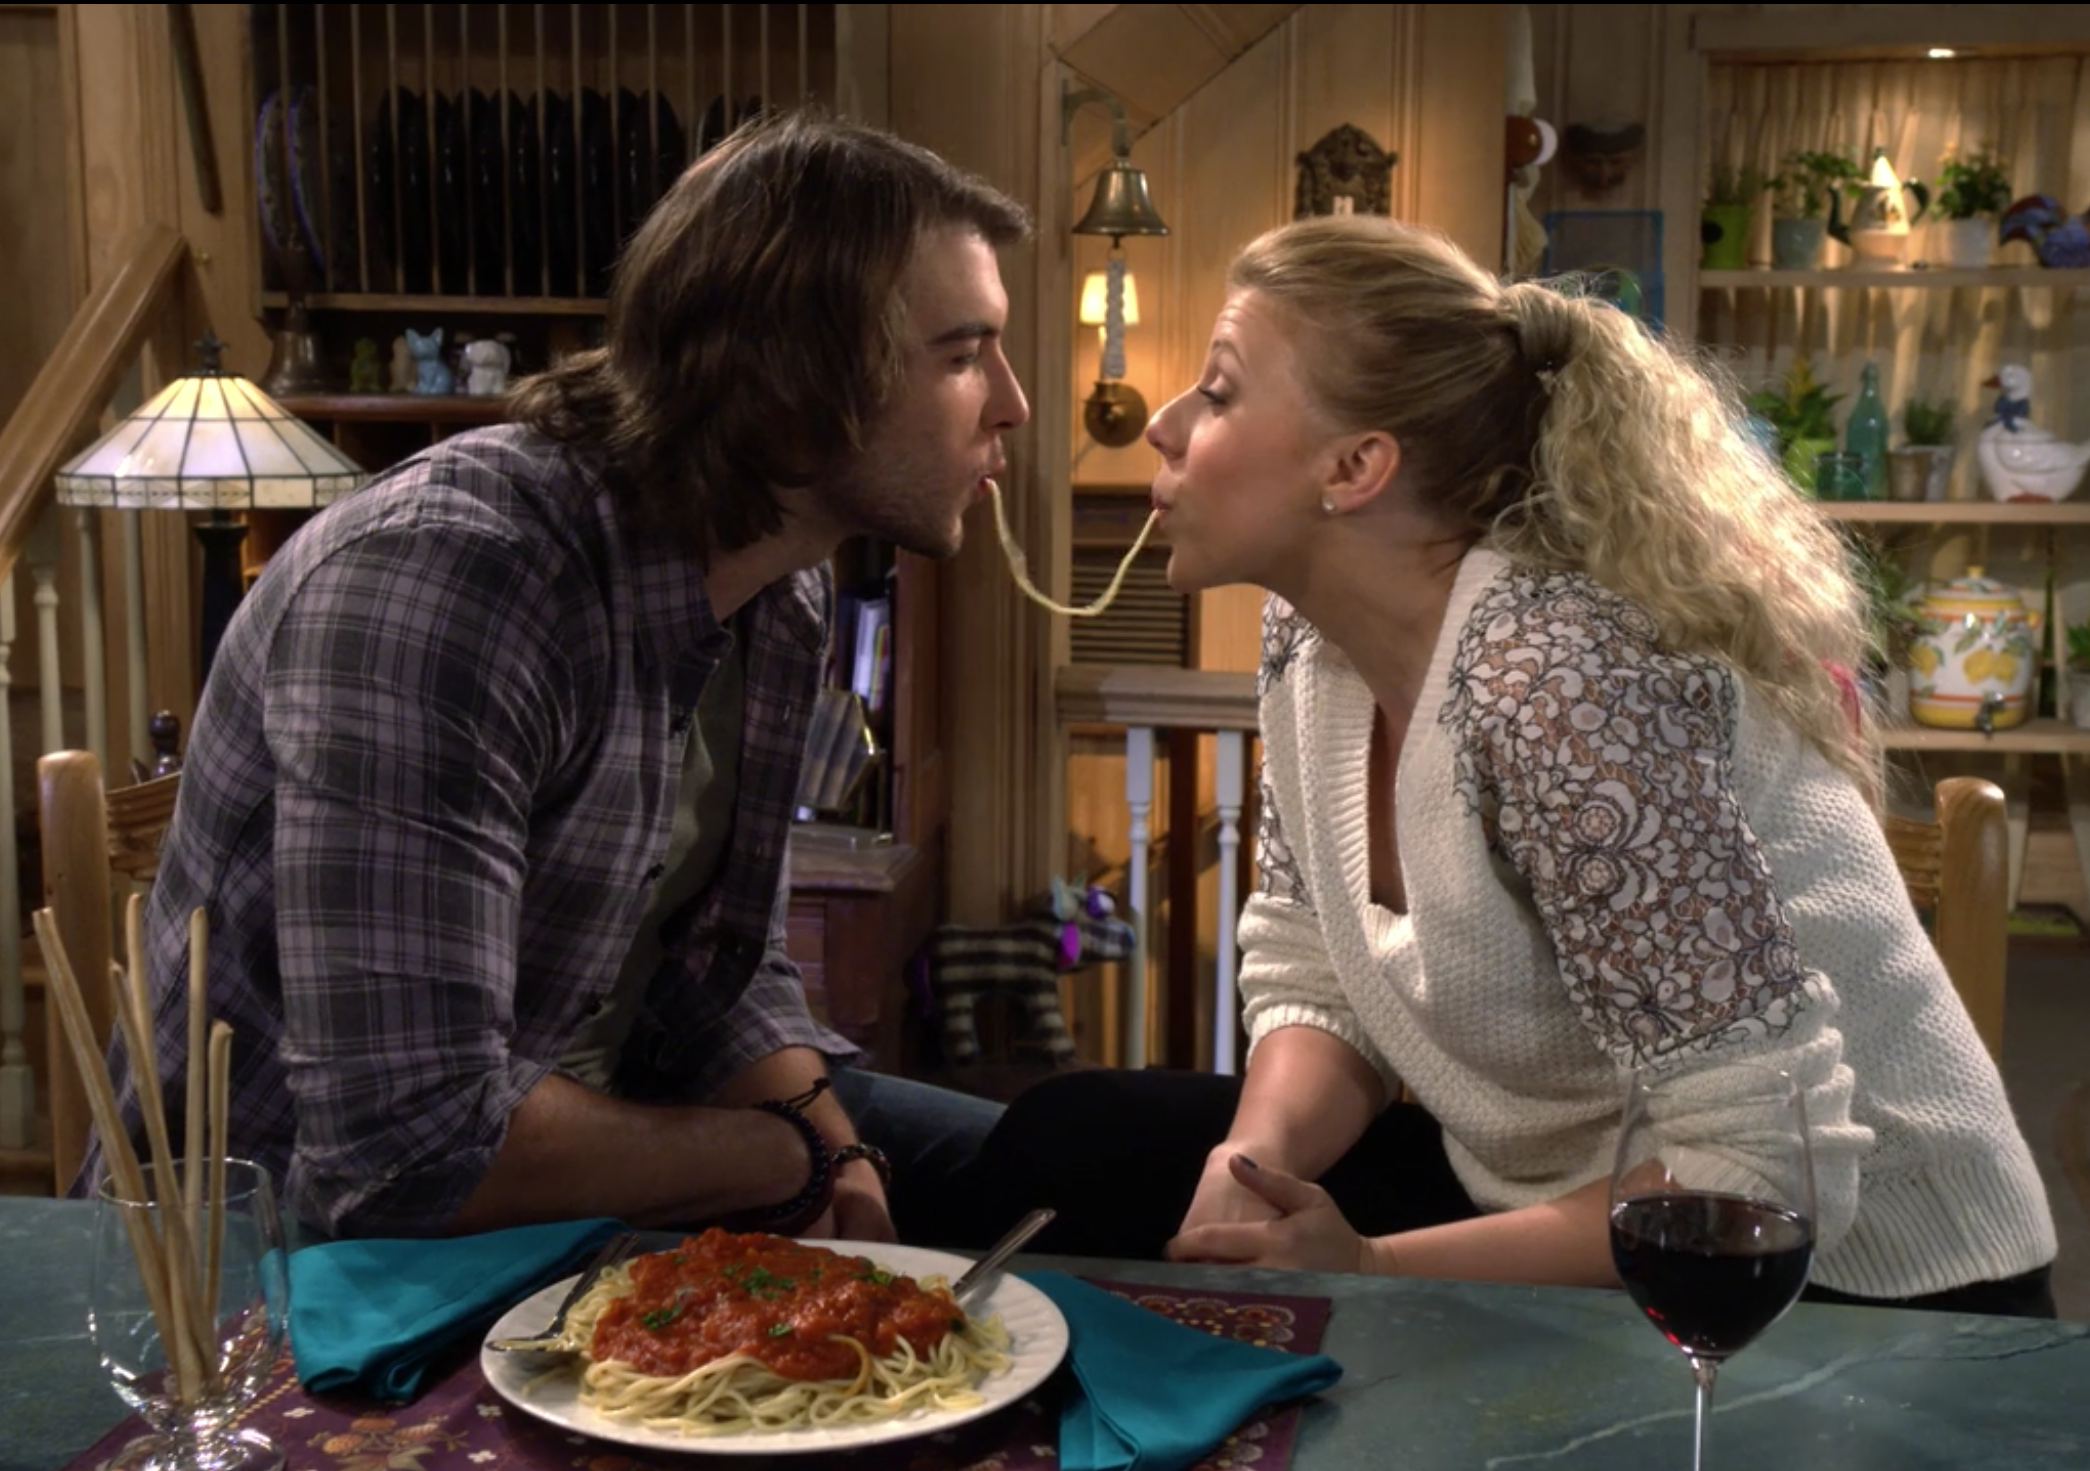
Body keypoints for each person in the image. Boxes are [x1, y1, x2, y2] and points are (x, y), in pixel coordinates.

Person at [970, 215, 2059, 1317]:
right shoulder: (1309, 639)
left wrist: (1372, 1269)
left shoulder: (1561, 682)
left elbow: (1760, 1172)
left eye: (1216, 391)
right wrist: (1250, 1171)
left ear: (1354, 467)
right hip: (1554, 1192)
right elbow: (1315, 971)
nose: (1163, 425)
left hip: (1850, 1276)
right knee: (1074, 1142)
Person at [80, 112, 1030, 1245]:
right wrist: (786, 1158)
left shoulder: (784, 587)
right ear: (786, 382)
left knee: (1072, 1166)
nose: (1011, 403)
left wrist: (837, 1156)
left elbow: (716, 968)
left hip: (584, 1135)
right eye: (962, 356)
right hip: (279, 1260)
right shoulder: (445, 581)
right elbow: (408, 1154)